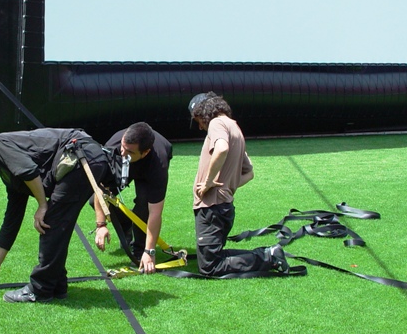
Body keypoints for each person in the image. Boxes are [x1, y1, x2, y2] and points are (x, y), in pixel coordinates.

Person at [0, 127, 113, 303]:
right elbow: (11, 222)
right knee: (57, 224)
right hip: (87, 157)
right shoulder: (10, 173)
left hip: (81, 156)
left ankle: (40, 289)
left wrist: (42, 205)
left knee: (51, 221)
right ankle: (57, 286)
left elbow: (29, 171)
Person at [188, 92, 289, 276]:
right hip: (223, 207)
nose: (201, 127)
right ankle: (268, 255)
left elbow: (221, 149)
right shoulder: (234, 127)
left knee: (209, 267)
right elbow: (249, 173)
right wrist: (227, 186)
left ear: (203, 112)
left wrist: (209, 182)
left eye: (198, 121)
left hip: (212, 208)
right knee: (213, 257)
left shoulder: (217, 123)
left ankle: (268, 257)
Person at [97, 122, 172, 274]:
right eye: (123, 147)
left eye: (129, 151)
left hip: (147, 170)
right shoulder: (114, 145)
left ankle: (140, 248)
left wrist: (150, 251)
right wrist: (101, 224)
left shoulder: (159, 164)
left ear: (145, 152)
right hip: (128, 165)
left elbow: (155, 212)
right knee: (98, 200)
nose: (123, 152)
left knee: (143, 206)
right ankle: (126, 226)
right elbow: (100, 188)